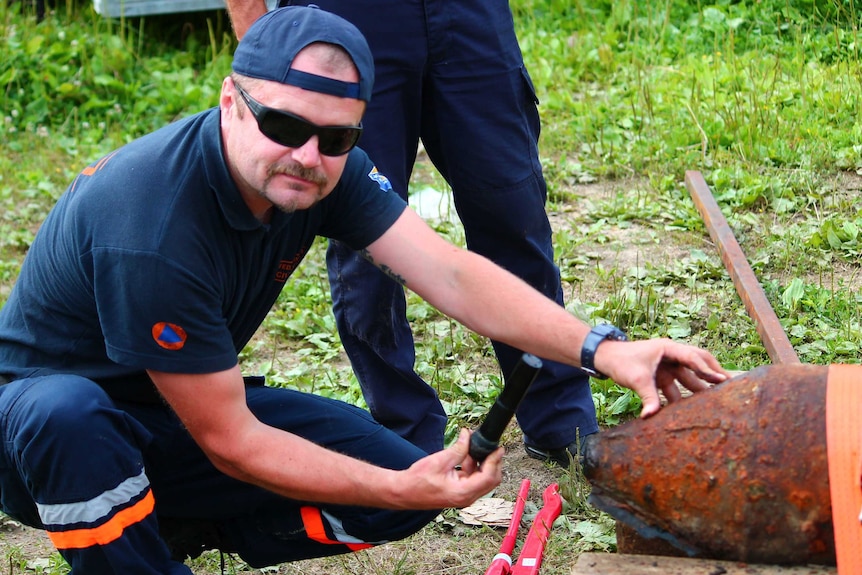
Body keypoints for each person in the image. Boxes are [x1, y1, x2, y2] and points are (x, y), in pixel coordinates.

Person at [0, 6, 728, 573]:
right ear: (230, 101)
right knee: (71, 413)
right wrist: (399, 487)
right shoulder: (151, 226)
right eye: (282, 124)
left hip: (172, 409)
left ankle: (176, 525)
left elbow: (447, 271)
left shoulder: (324, 168)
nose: (307, 155)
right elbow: (231, 440)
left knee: (392, 474)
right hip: (44, 443)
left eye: (335, 138)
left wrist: (604, 349)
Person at [224, 0, 605, 464]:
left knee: (512, 208)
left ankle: (559, 416)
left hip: (469, 15)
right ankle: (405, 438)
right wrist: (262, 48)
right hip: (348, 16)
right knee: (365, 238)